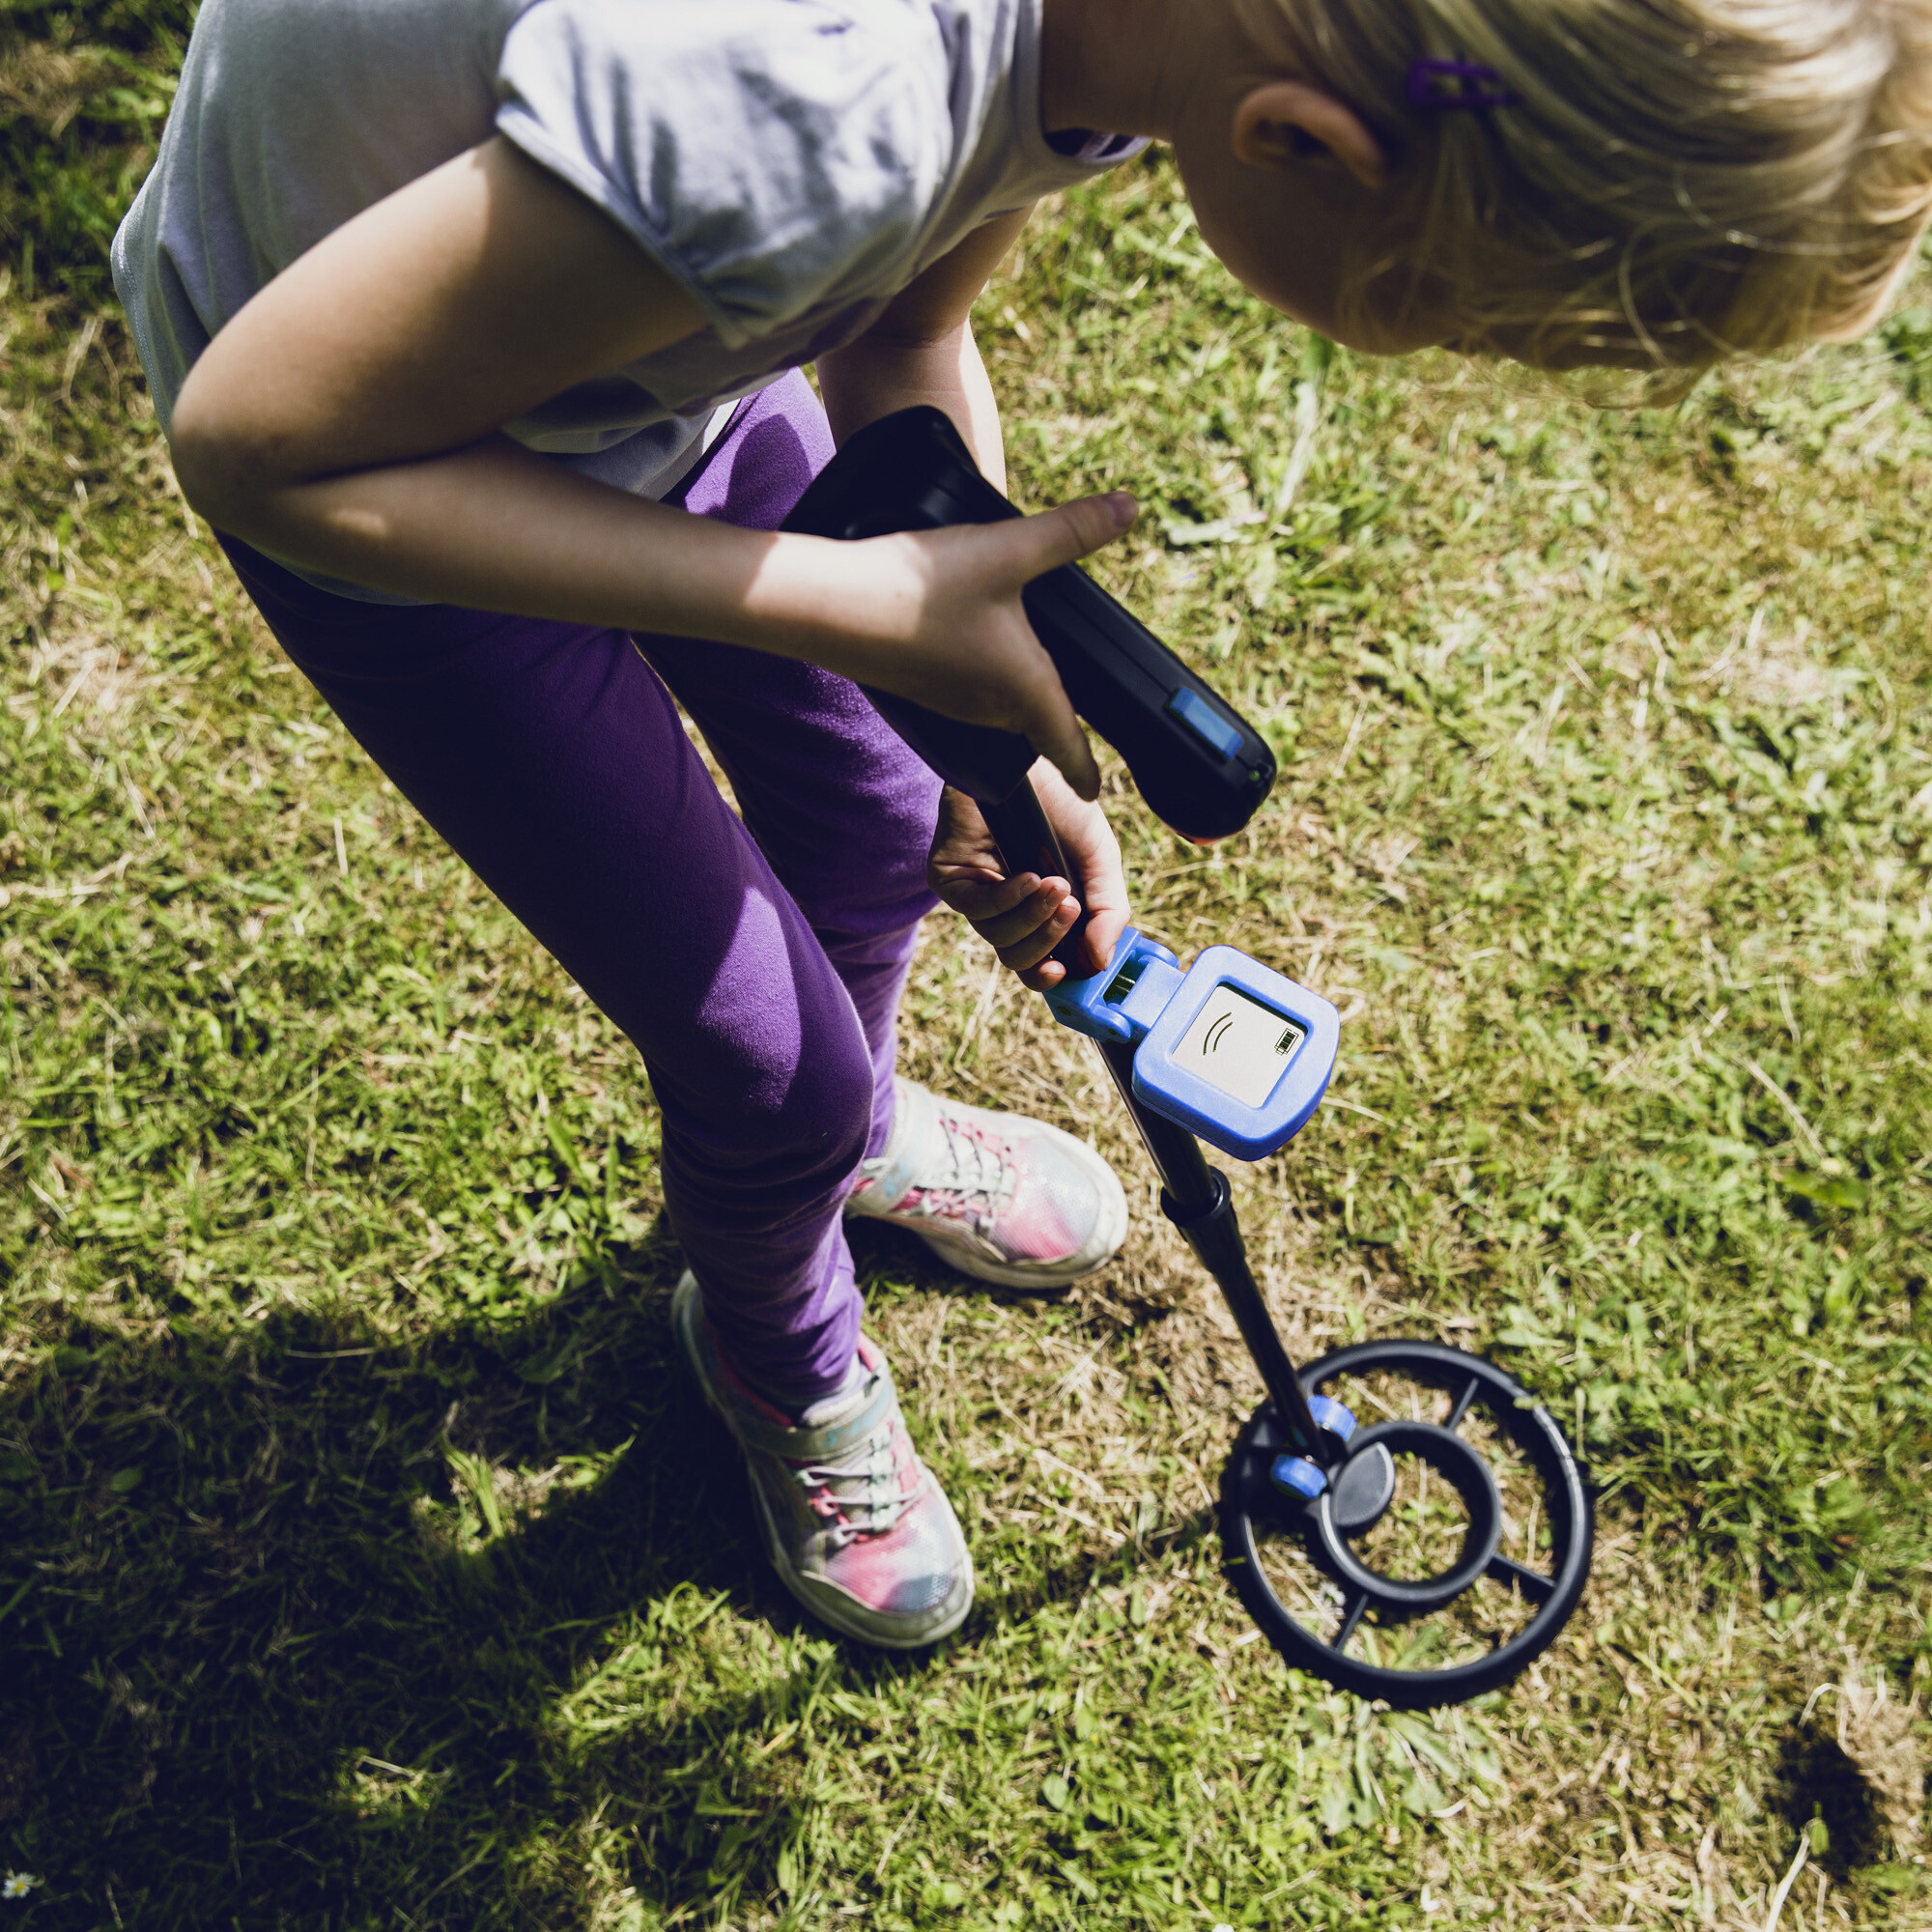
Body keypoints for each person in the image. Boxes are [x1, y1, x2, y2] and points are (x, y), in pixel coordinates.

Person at [112, 0, 1932, 1649]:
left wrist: (970, 684)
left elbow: (903, 322)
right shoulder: (802, 104)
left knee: (880, 812)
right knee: (770, 1070)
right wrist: (851, 606)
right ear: (1305, 141)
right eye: (1421, 316)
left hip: (649, 333)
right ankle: (771, 1344)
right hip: (393, 469)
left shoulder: (1150, 38)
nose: (1408, 351)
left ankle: (851, 1127)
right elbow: (267, 443)